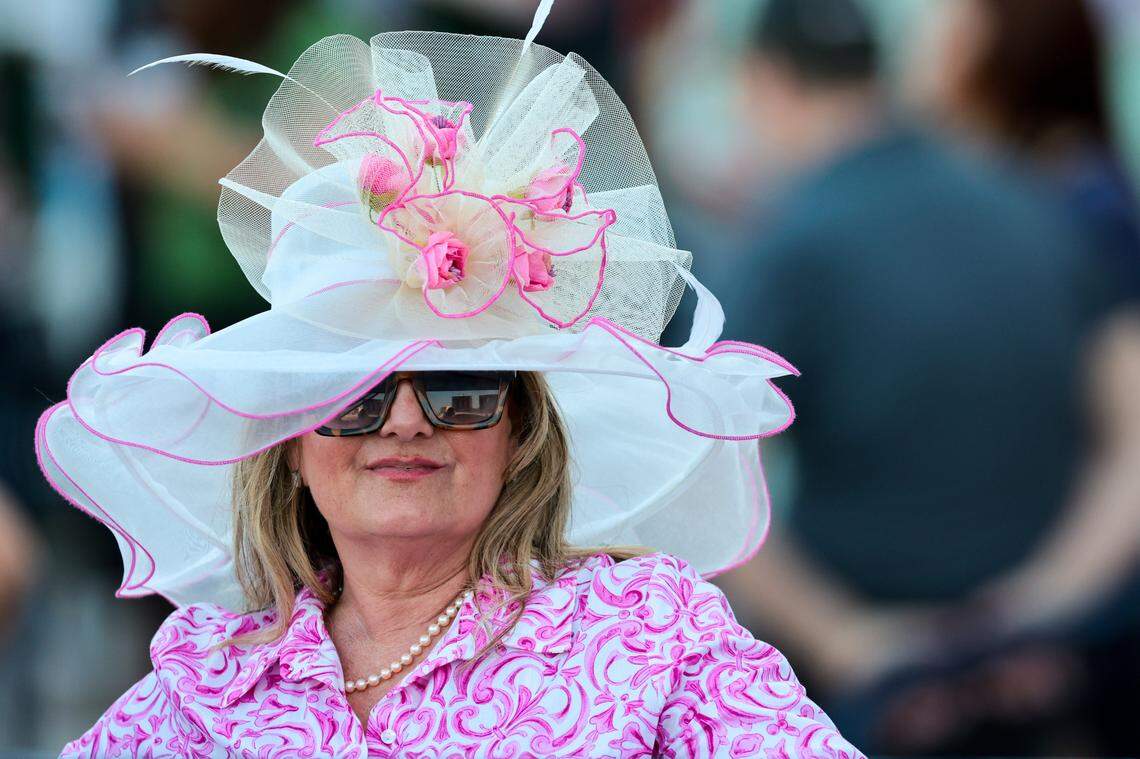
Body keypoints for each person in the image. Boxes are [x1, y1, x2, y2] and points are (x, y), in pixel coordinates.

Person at [35, 11, 865, 757]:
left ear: (518, 429)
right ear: (289, 441)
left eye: (458, 387)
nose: (403, 421)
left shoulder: (652, 627)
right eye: (353, 393)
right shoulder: (207, 676)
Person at [714, 0, 1115, 747]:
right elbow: (1125, 429)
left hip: (879, 678)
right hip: (1043, 657)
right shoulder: (1028, 204)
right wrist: (1051, 594)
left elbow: (706, 462)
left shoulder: (792, 242)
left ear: (765, 82)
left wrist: (841, 636)